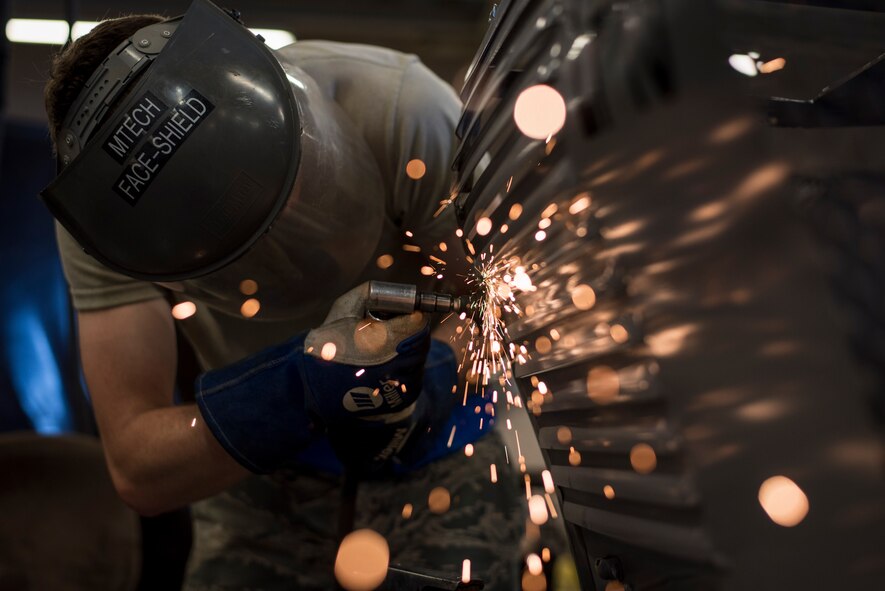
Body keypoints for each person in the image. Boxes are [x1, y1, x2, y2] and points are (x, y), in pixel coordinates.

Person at [41, 1, 523, 589]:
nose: (283, 255)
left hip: (442, 456)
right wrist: (299, 388)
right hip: (261, 471)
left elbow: (499, 302)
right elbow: (140, 469)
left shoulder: (402, 107)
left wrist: (436, 377)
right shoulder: (105, 226)